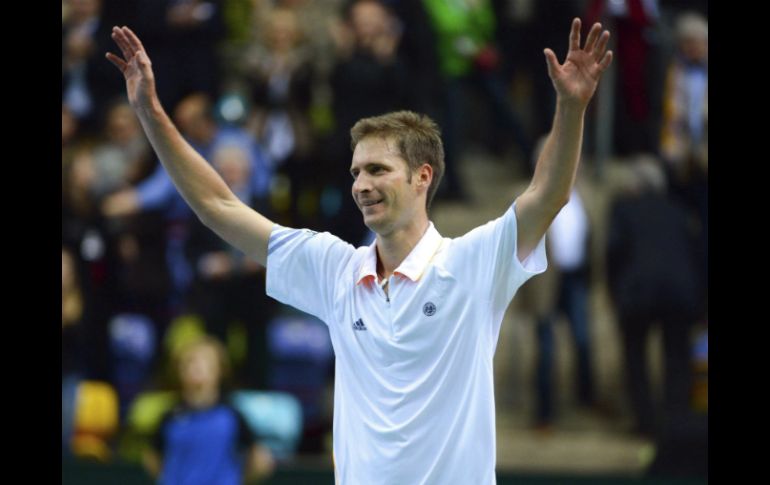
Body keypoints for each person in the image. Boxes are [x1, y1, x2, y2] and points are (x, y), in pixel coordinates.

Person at [107, 18, 612, 484]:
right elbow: (217, 205)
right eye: (355, 173)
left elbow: (549, 194)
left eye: (377, 170)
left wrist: (570, 107)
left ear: (422, 177)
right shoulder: (333, 268)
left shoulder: (472, 263)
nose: (361, 185)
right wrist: (151, 113)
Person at [143, 336, 275, 484]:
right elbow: (152, 458)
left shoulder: (232, 416)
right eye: (189, 362)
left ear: (219, 370)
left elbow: (261, 460)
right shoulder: (170, 417)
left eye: (204, 362)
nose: (196, 368)